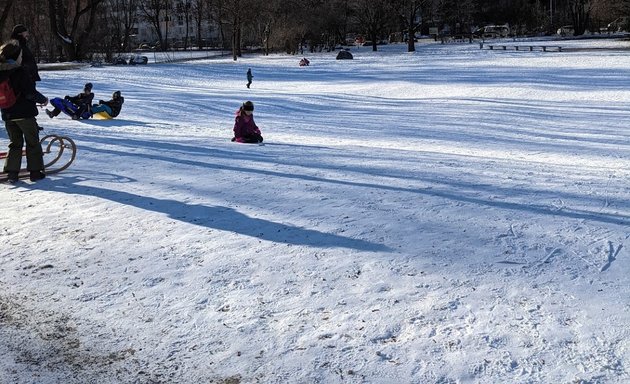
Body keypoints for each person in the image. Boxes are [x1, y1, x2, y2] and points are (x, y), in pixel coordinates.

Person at [0, 40, 48, 182]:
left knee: (15, 143)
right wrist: (43, 99)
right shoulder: (20, 71)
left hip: (8, 114)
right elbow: (29, 92)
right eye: (20, 55)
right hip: (24, 113)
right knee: (32, 142)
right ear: (16, 57)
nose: (22, 58)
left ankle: (12, 173)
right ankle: (35, 172)